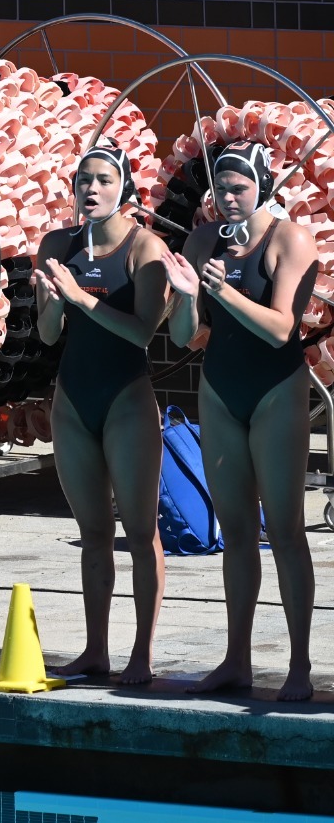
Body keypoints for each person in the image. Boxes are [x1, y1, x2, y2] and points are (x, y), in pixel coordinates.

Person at [165, 140, 320, 701]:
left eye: (240, 188)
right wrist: (186, 298)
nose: (228, 198)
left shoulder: (289, 239)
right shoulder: (204, 237)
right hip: (219, 388)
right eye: (221, 188)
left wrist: (224, 291)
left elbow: (282, 328)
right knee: (235, 534)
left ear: (263, 188)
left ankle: (299, 664)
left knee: (283, 530)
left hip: (277, 389)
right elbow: (184, 336)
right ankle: (237, 659)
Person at [31, 146, 170, 684]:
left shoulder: (145, 249)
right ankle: (95, 649)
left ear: (125, 189)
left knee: (140, 532)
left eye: (104, 180)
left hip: (126, 399)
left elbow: (141, 333)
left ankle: (141, 653)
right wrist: (49, 300)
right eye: (82, 180)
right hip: (73, 398)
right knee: (91, 532)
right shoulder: (57, 245)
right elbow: (48, 336)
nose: (91, 189)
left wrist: (79, 297)